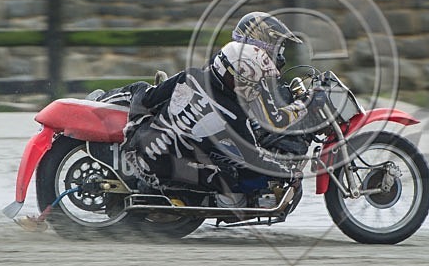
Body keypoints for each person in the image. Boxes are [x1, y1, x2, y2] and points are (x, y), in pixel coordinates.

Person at [95, 11, 326, 197]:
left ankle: (101, 100)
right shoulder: (235, 115)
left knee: (140, 88)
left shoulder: (192, 76)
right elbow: (255, 156)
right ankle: (167, 196)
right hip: (161, 169)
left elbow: (148, 98)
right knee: (235, 176)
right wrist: (289, 174)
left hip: (139, 139)